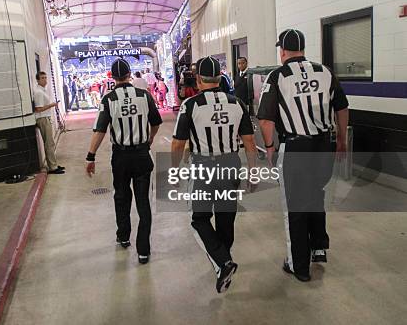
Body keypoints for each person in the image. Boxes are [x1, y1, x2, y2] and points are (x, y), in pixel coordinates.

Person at [257, 29, 349, 282]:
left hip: (296, 148)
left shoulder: (278, 76)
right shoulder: (325, 71)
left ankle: (298, 265)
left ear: (282, 51)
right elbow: (342, 107)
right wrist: (341, 139)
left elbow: (265, 119)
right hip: (323, 147)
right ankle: (318, 248)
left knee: (295, 208)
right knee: (315, 195)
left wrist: (270, 147)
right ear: (304, 49)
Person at [171, 56, 257, 293]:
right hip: (230, 165)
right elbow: (249, 141)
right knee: (226, 218)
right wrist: (252, 172)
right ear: (220, 78)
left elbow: (178, 144)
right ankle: (223, 262)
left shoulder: (190, 105)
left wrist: (174, 171)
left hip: (204, 167)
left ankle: (223, 262)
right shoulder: (237, 103)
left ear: (198, 80)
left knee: (199, 218)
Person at [85, 58, 163, 265]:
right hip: (141, 154)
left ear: (112, 77)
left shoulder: (108, 99)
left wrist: (91, 156)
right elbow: (156, 123)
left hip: (120, 156)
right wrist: (150, 138)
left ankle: (123, 235)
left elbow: (100, 130)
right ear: (130, 75)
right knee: (143, 202)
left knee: (121, 196)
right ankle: (143, 251)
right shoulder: (144, 96)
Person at [33, 72, 66, 175]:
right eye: (42, 78)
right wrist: (52, 105)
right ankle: (52, 167)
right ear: (37, 80)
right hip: (42, 118)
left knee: (50, 143)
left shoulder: (43, 91)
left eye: (46, 77)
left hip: (46, 117)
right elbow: (38, 109)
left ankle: (53, 164)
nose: (45, 80)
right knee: (49, 143)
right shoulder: (38, 92)